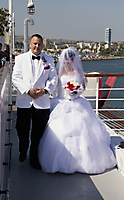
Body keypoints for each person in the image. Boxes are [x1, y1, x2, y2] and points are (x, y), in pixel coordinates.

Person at [38, 46, 116, 174]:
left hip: (77, 102)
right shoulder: (58, 70)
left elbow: (83, 87)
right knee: (60, 131)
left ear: (74, 59)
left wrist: (76, 91)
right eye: (67, 59)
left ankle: (83, 162)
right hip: (62, 102)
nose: (69, 61)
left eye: (71, 59)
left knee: (84, 131)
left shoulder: (78, 71)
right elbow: (53, 84)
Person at [12, 33, 58, 169]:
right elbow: (16, 77)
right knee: (22, 129)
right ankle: (23, 149)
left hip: (42, 101)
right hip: (24, 100)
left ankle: (34, 158)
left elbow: (54, 78)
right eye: (34, 43)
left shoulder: (49, 60)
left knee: (38, 133)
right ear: (30, 44)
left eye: (39, 44)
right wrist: (28, 90)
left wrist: (45, 90)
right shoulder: (20, 59)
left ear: (43, 46)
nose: (37, 46)